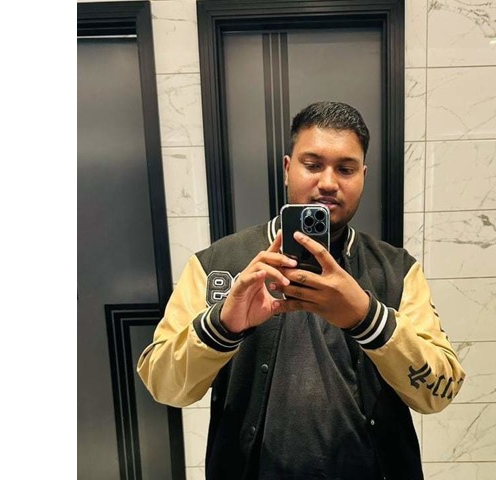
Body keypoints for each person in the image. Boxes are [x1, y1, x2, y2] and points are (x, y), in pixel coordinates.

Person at [137, 101, 466, 479]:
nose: (328, 182)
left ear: (363, 176)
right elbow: (165, 387)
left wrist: (368, 319)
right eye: (312, 165)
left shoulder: (396, 271)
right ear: (287, 169)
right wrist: (223, 326)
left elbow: (438, 392)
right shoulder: (218, 265)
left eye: (345, 169)